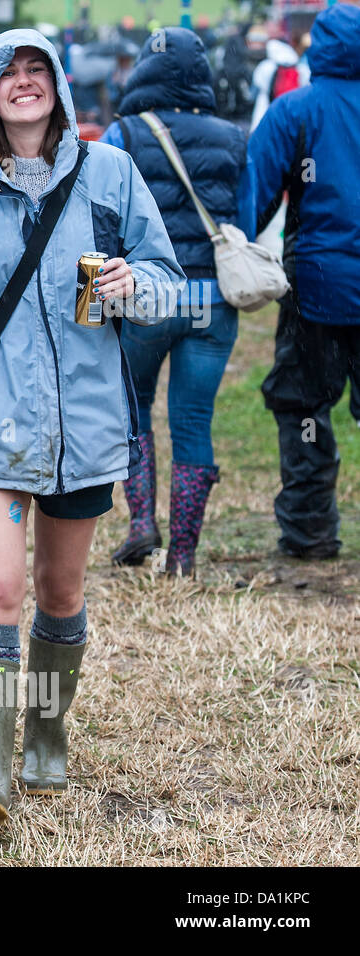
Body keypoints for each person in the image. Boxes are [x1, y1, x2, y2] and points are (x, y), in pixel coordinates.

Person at [0, 30, 182, 824]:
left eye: (36, 70)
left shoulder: (110, 172)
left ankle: (45, 739)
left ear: (57, 85)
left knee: (60, 589)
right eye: (8, 73)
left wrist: (134, 281)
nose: (23, 83)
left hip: (85, 424)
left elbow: (168, 281)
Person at [100, 28, 254, 577]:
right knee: (194, 421)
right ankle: (184, 557)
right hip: (212, 301)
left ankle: (142, 522)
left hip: (148, 299)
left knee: (134, 407)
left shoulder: (124, 134)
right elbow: (247, 221)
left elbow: (104, 221)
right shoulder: (234, 138)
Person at [250, 2, 360, 560]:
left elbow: (256, 195)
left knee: (305, 409)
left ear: (319, 45)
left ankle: (311, 532)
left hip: (315, 289)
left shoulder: (295, 111)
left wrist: (237, 256)